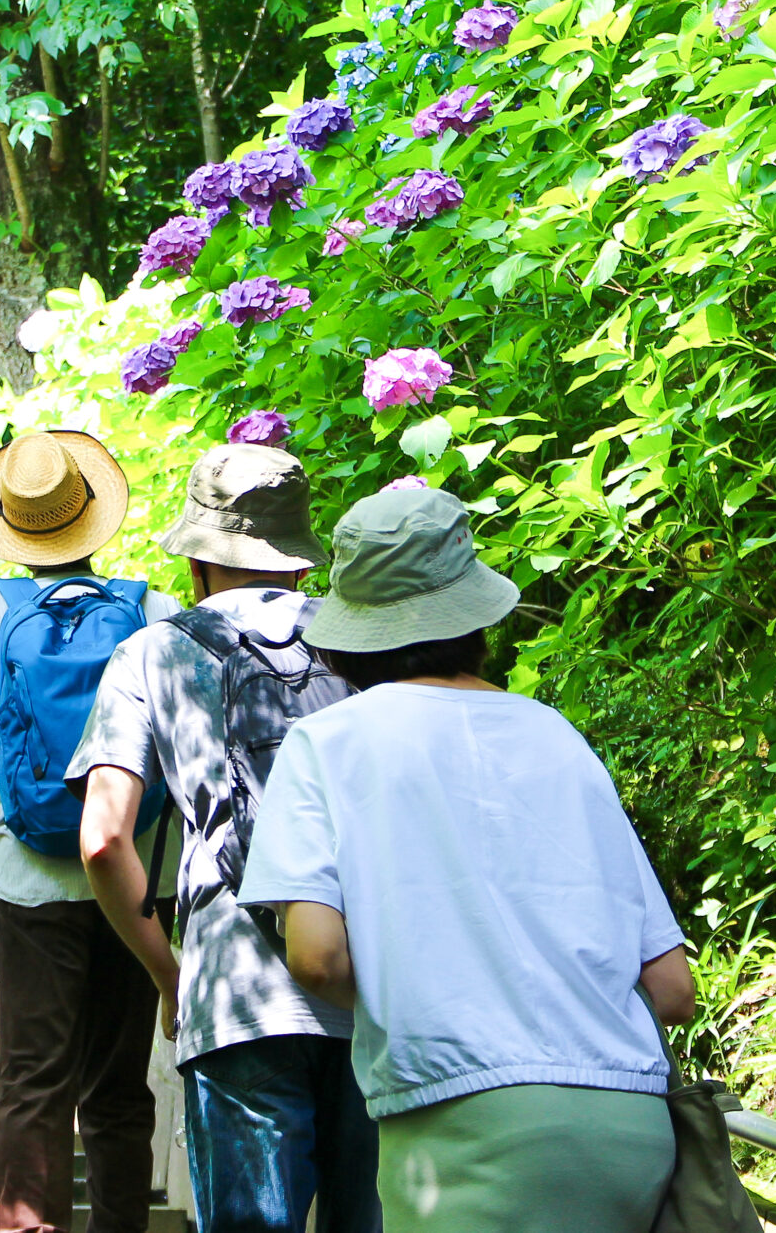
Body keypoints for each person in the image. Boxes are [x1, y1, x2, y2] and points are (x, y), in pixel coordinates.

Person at [236, 487, 695, 1233]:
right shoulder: (557, 737)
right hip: (629, 1126)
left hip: (462, 1120)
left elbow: (317, 958)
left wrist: (432, 995)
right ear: (475, 614)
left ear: (350, 631)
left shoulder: (328, 744)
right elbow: (672, 988)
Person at [71, 445, 378, 1233]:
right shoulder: (370, 645)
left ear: (200, 562)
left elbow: (104, 838)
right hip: (374, 988)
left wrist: (168, 975)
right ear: (301, 561)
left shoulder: (152, 651)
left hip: (236, 996)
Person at [0, 429, 181, 1233]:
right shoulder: (153, 611)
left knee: (32, 1080)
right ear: (91, 515)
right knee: (118, 1086)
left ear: (14, 526)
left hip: (30, 882)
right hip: (137, 880)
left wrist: (13, 814)